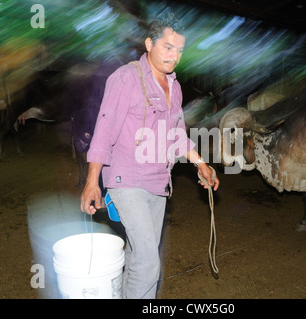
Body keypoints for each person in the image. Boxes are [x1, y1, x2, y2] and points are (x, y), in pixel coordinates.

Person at [80, 12, 219, 299]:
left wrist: (200, 164)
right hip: (126, 178)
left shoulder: (175, 87)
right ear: (149, 44)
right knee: (148, 261)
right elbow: (104, 130)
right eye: (168, 47)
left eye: (180, 50)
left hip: (158, 182)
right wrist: (92, 181)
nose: (174, 56)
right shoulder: (126, 78)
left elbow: (176, 134)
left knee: (137, 256)